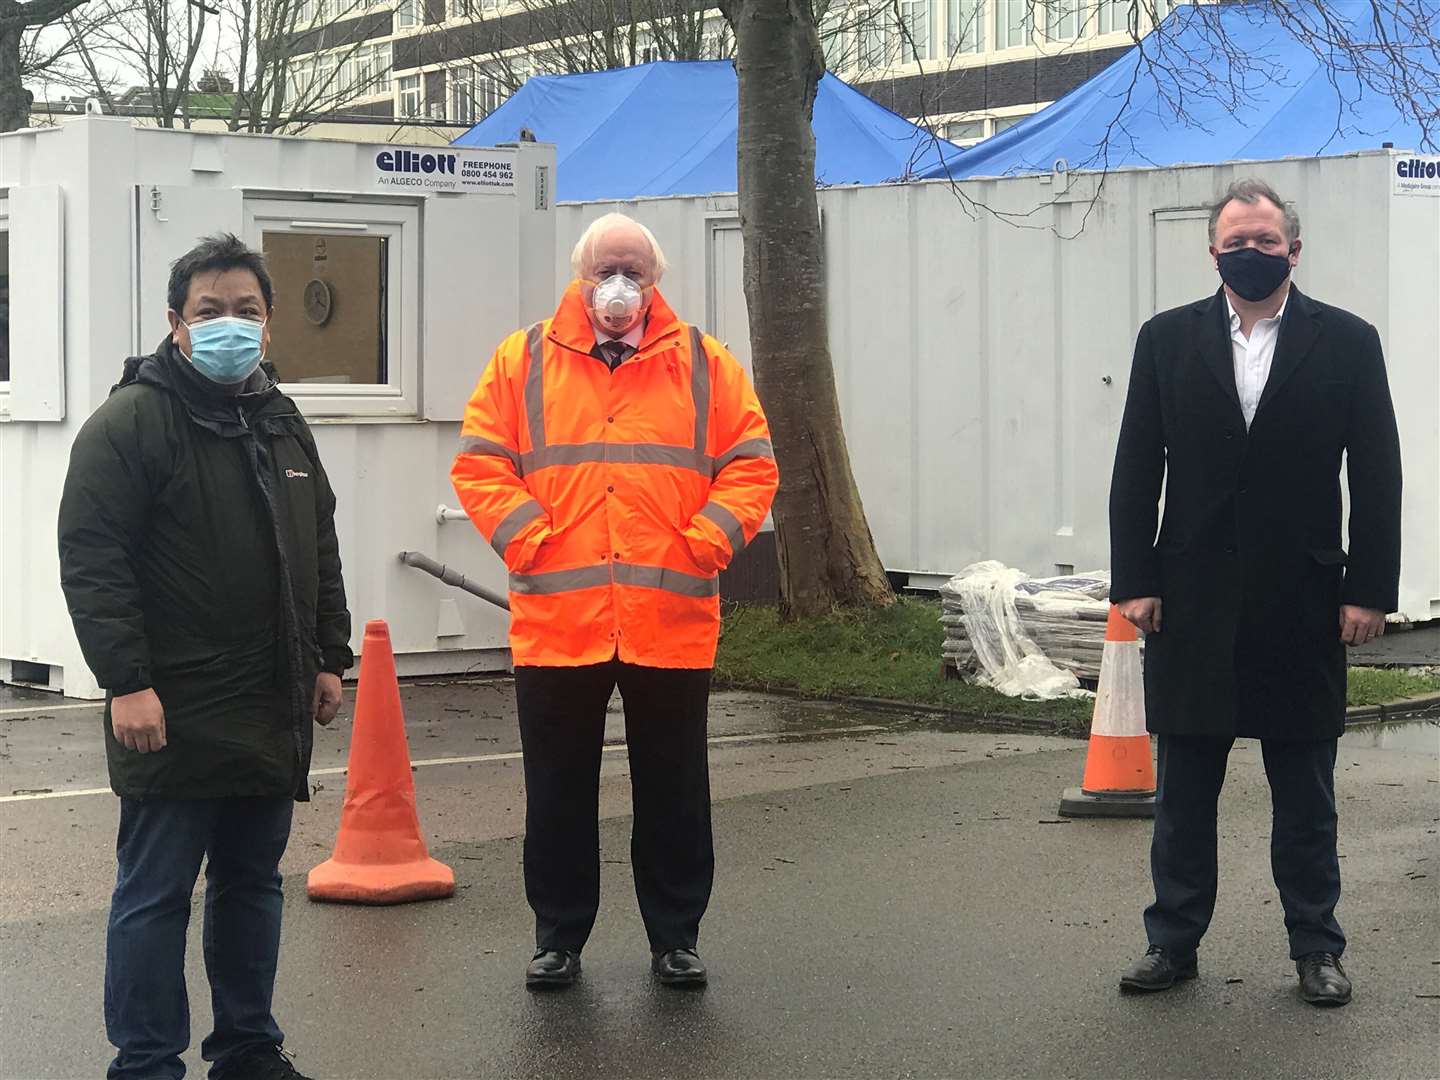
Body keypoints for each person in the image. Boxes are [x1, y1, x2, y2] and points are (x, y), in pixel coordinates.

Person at [452, 212, 779, 990]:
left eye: (634, 268)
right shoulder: (522, 359)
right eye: (606, 269)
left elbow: (752, 464)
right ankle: (557, 938)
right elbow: (480, 463)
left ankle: (676, 938)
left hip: (668, 617)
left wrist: (704, 542)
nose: (619, 284)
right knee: (557, 791)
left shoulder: (704, 363)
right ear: (581, 275)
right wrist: (531, 538)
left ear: (657, 279)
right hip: (560, 620)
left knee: (674, 790)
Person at [58, 233, 352, 1078]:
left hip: (270, 703)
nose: (231, 325)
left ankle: (248, 1048)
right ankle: (146, 1062)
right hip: (170, 708)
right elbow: (92, 558)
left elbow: (318, 544)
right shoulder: (131, 423)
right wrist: (128, 683)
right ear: (175, 324)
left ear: (270, 325)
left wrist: (329, 655)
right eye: (210, 311)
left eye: (247, 312)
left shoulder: (282, 420)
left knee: (252, 887)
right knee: (153, 896)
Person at [1109, 179, 1402, 1007]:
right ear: (1213, 251)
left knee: (1305, 795)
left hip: (1302, 601)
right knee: (1184, 794)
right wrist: (1135, 579)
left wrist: (1368, 589)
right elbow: (1137, 469)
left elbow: (1377, 475)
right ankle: (1172, 942)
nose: (1252, 251)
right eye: (1237, 239)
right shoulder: (1165, 340)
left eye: (1267, 240)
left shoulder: (1346, 341)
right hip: (1191, 599)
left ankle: (1316, 946)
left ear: (1294, 250)